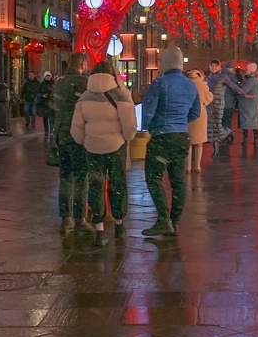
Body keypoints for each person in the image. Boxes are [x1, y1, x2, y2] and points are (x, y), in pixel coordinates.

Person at [71, 65, 138, 246]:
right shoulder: (119, 96)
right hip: (116, 147)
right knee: (118, 184)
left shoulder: (84, 98)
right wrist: (125, 138)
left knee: (96, 185)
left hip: (93, 148)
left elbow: (76, 128)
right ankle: (119, 224)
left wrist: (83, 141)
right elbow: (130, 126)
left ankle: (100, 230)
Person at [140, 46, 201, 236]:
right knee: (178, 182)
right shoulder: (190, 85)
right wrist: (181, 121)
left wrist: (149, 126)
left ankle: (163, 218)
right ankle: (175, 222)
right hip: (181, 137)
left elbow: (149, 110)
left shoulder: (160, 83)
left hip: (162, 136)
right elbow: (196, 112)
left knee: (153, 177)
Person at [51, 53, 91, 233]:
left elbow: (54, 108)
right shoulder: (84, 83)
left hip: (62, 135)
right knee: (81, 177)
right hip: (78, 134)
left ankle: (66, 219)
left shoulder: (59, 82)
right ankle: (80, 217)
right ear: (82, 64)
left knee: (66, 177)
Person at [185, 68, 212, 172]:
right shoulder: (202, 84)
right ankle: (197, 166)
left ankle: (187, 167)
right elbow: (209, 97)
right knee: (199, 141)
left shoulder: (186, 84)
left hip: (187, 111)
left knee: (189, 141)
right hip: (200, 113)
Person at [236, 63, 258, 150]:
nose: (246, 71)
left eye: (247, 69)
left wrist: (240, 91)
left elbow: (243, 90)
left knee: (248, 121)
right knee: (251, 121)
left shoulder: (252, 80)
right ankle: (254, 139)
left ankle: (248, 139)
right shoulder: (252, 79)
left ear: (251, 71)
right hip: (249, 104)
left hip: (249, 105)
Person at [35, 71, 55, 142]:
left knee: (51, 117)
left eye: (49, 76)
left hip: (51, 103)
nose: (48, 77)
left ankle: (51, 130)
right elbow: (38, 93)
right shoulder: (41, 84)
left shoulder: (54, 84)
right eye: (47, 76)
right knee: (45, 118)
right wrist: (42, 95)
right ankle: (46, 131)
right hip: (44, 103)